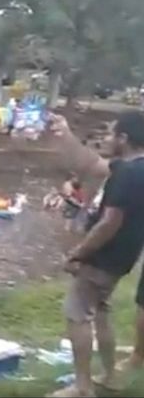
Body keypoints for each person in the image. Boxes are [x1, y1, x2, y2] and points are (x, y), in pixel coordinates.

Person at [47, 111, 144, 397]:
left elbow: (109, 223)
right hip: (124, 258)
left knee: (77, 315)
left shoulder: (125, 174)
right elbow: (91, 164)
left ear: (124, 139)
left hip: (102, 257)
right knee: (101, 312)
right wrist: (65, 134)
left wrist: (78, 253)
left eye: (112, 134)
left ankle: (83, 386)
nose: (107, 138)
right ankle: (111, 377)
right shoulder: (136, 168)